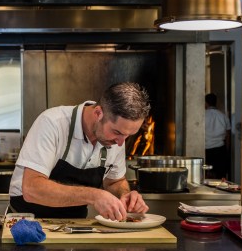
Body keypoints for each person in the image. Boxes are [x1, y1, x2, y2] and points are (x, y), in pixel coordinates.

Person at [8, 82, 151, 220]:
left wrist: (125, 195)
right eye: (117, 132)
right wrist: (94, 195)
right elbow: (32, 189)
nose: (121, 142)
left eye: (128, 135)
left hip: (74, 227)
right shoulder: (52, 123)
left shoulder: (117, 139)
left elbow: (114, 182)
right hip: (27, 224)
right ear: (98, 113)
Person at [204, 93, 231, 179]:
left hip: (206, 149)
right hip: (220, 149)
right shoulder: (223, 116)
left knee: (206, 175)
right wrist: (227, 150)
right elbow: (228, 135)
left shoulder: (202, 116)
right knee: (220, 176)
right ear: (216, 103)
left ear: (206, 103)